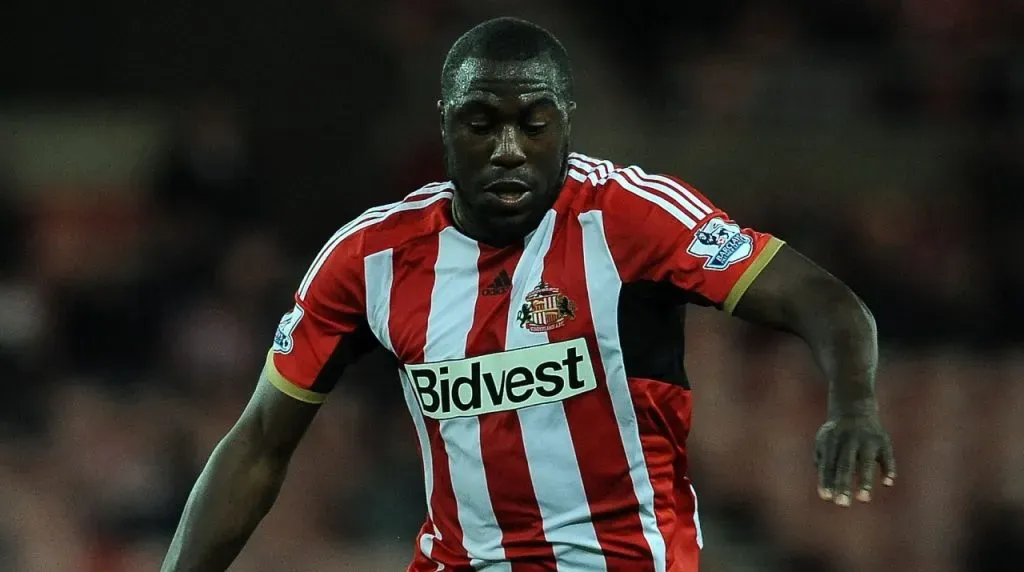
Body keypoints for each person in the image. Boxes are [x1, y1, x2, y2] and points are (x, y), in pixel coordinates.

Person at [161, 16, 897, 572]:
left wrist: (854, 405)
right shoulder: (369, 258)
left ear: (565, 123)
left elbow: (822, 299)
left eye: (532, 123)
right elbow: (260, 440)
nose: (508, 148)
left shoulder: (633, 218)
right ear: (445, 126)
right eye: (481, 123)